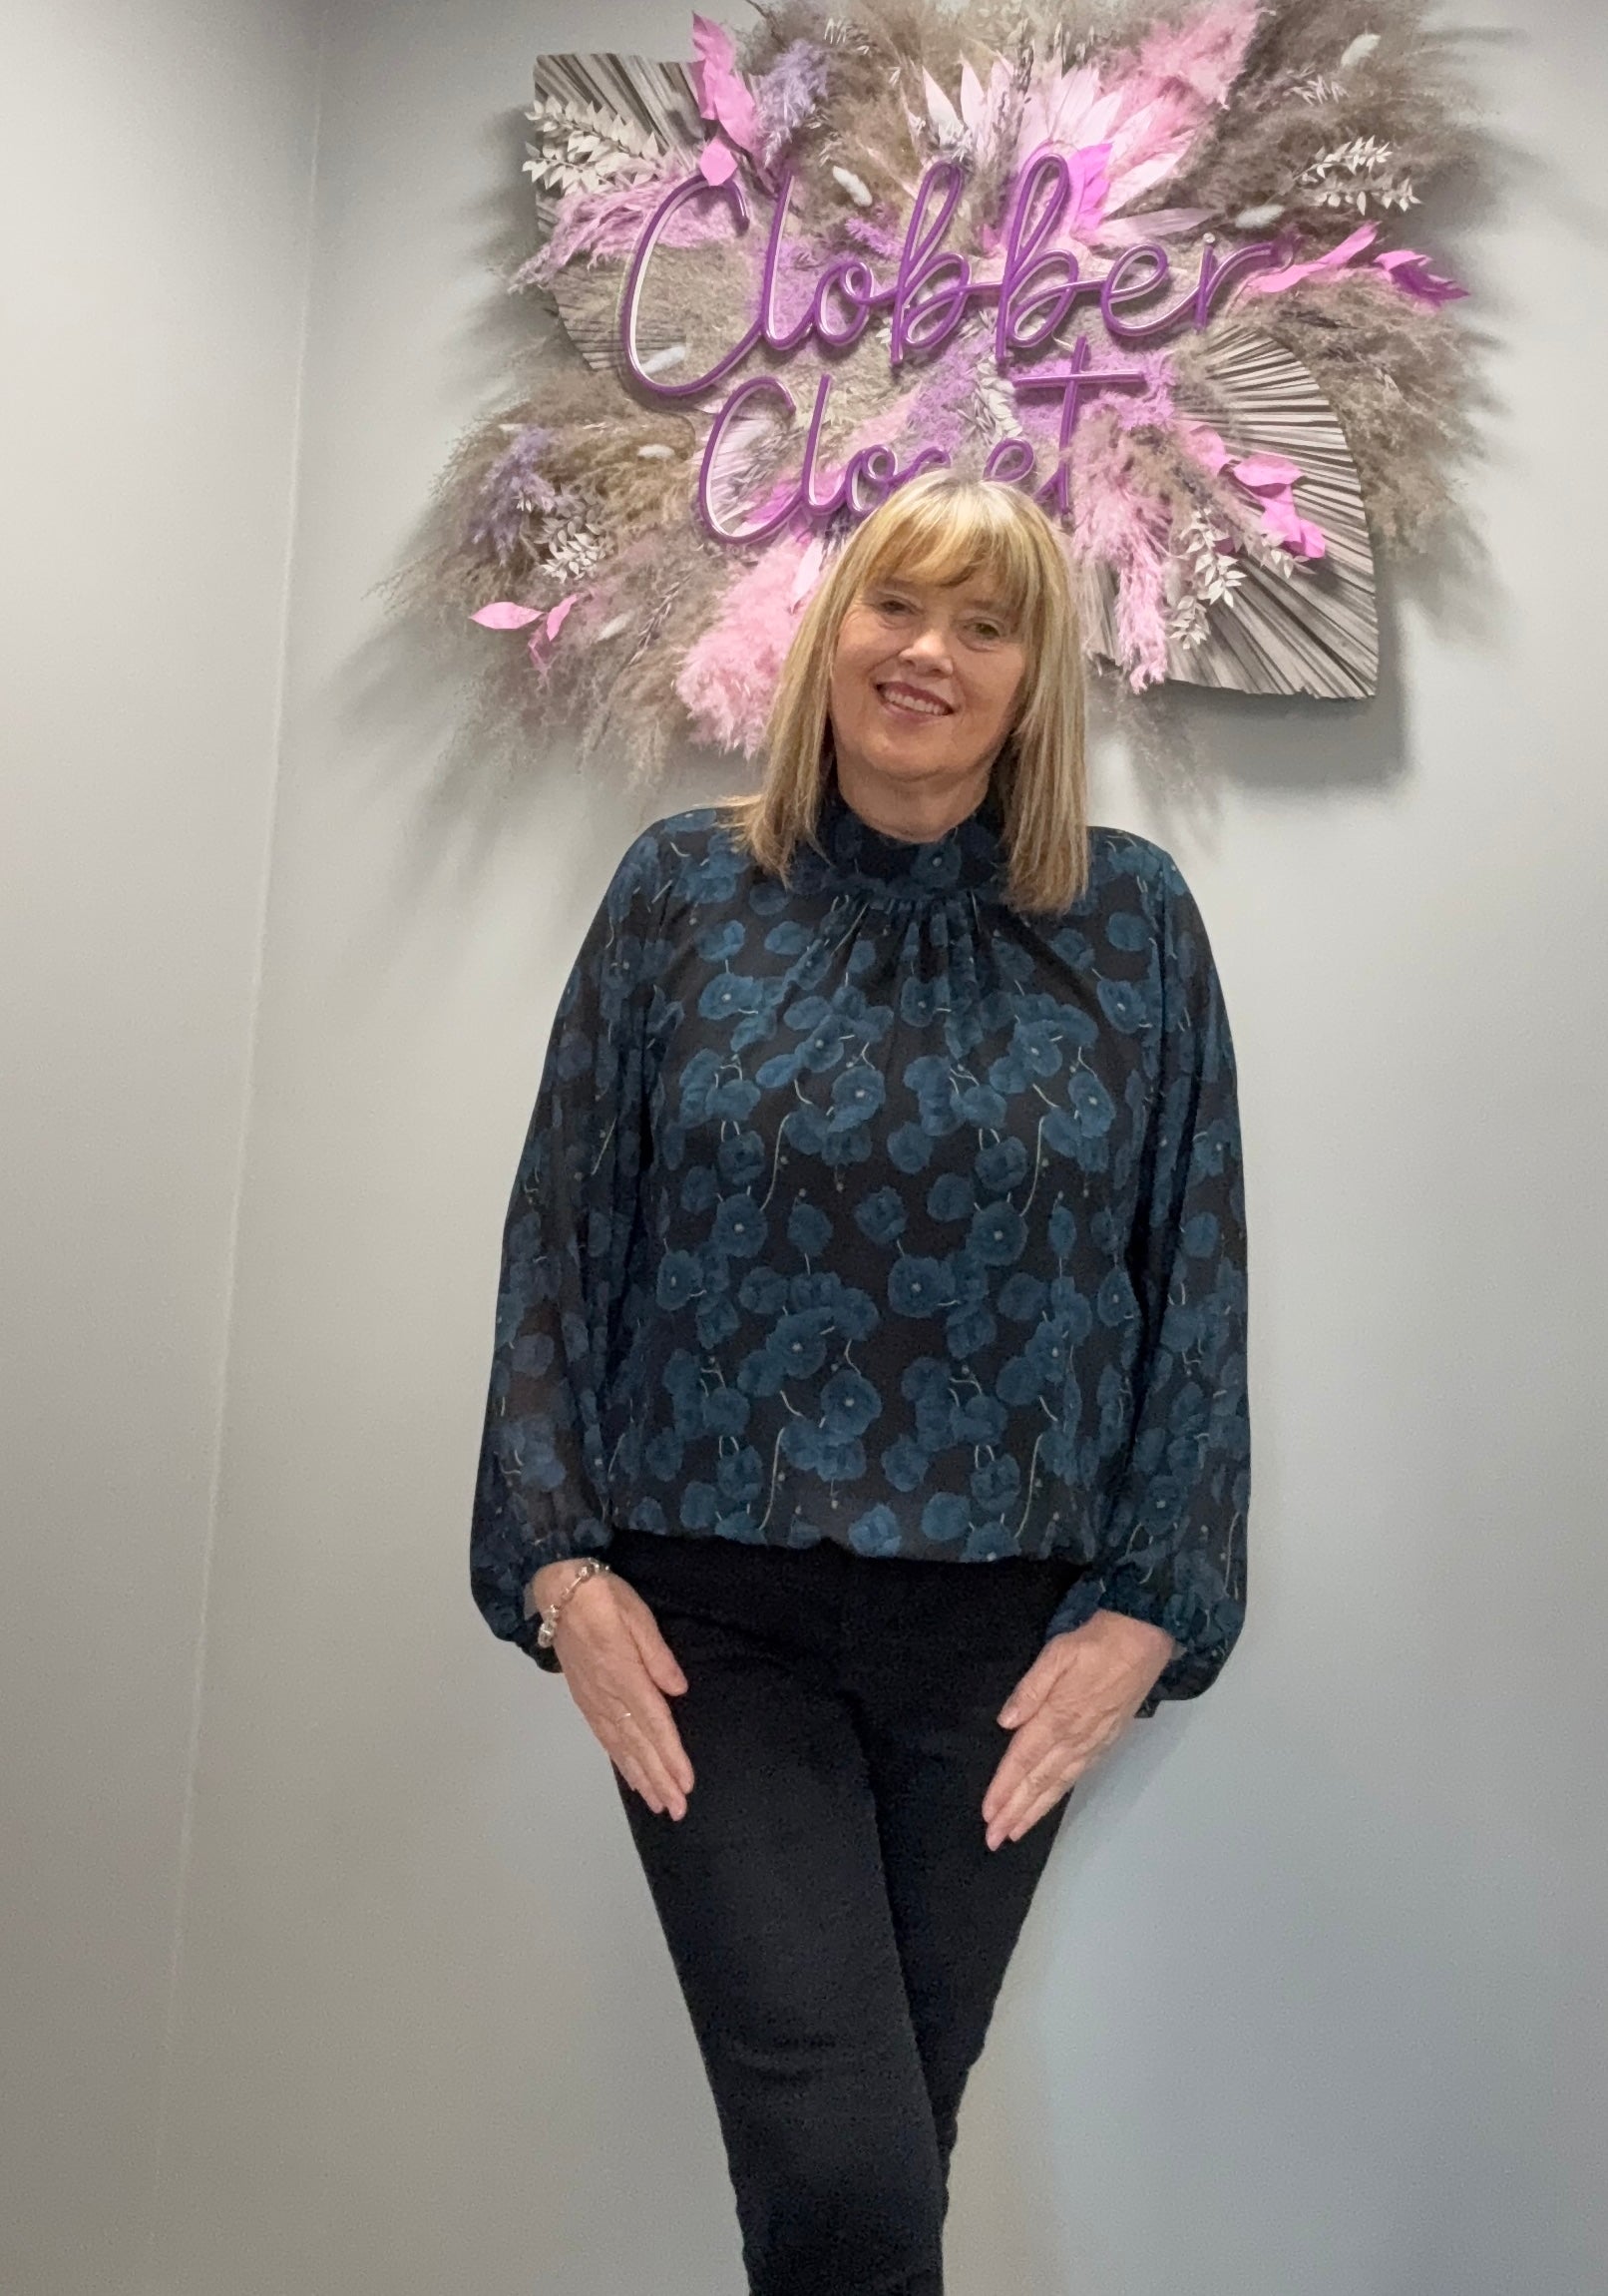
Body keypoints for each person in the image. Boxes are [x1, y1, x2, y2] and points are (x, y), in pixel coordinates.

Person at [469, 468, 1250, 2296]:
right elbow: (561, 1232)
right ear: (832, 634)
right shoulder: (682, 892)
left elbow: (1195, 1274)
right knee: (846, 2173)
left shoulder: (1133, 922)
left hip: (1001, 1641)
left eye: (987, 625)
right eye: (899, 605)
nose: (930, 653)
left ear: (1034, 684)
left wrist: (1157, 1600)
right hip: (713, 1625)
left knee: (879, 2166)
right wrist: (557, 1563)